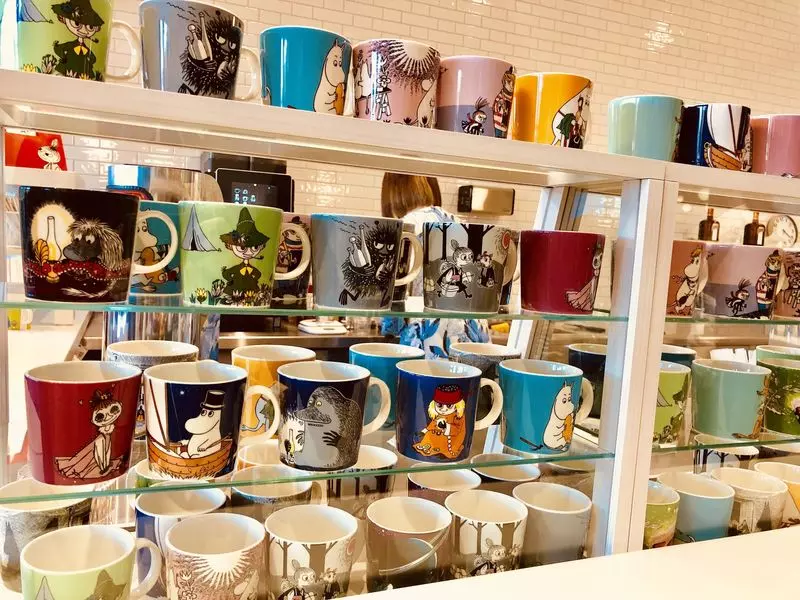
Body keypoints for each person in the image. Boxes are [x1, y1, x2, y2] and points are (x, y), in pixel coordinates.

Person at [380, 173, 489, 358]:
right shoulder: (460, 223)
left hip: (429, 337)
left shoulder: (405, 228)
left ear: (392, 194)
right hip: (473, 335)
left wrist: (388, 328)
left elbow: (392, 315)